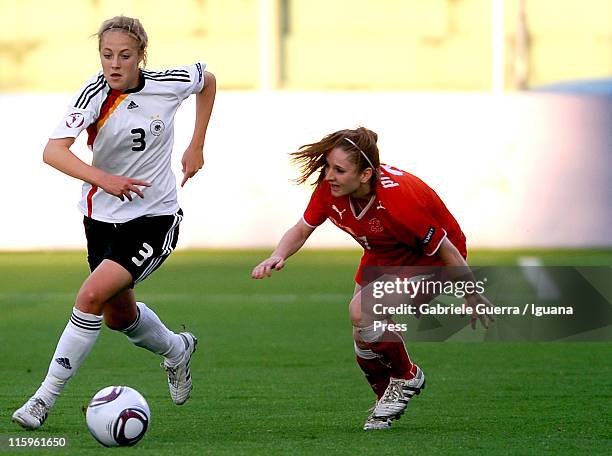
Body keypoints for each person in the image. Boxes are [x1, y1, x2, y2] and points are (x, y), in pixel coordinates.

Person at [12, 15, 216, 430]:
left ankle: (42, 400)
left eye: (124, 55)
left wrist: (196, 144)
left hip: (154, 217)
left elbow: (207, 80)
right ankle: (178, 350)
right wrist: (104, 179)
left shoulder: (168, 83)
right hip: (101, 219)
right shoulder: (94, 93)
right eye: (107, 55)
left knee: (88, 296)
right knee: (118, 316)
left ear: (142, 56)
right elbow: (53, 151)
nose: (114, 64)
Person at [251, 127, 492, 431]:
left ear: (365, 175)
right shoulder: (329, 191)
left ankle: (407, 376)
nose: (328, 175)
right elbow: (301, 229)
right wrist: (278, 254)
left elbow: (448, 249)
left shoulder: (400, 201)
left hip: (431, 261)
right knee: (362, 335)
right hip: (382, 253)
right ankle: (384, 403)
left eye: (339, 170)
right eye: (327, 166)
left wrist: (470, 292)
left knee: (360, 310)